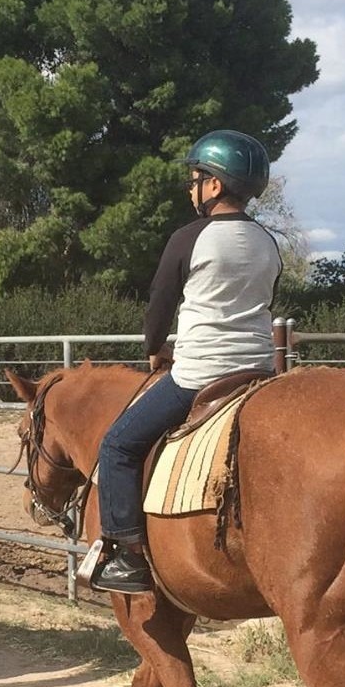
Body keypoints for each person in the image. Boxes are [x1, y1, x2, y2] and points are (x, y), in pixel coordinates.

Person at [89, 129, 283, 595]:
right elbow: (266, 300)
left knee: (117, 446)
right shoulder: (268, 242)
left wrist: (155, 346)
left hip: (199, 374)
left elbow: (160, 302)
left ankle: (128, 557)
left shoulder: (188, 238)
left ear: (214, 184)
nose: (190, 188)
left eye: (195, 178)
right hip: (258, 373)